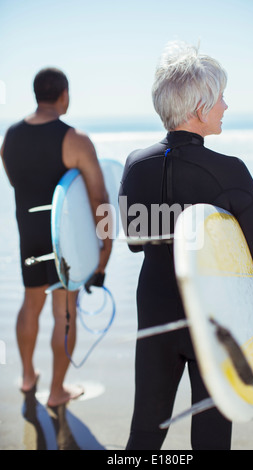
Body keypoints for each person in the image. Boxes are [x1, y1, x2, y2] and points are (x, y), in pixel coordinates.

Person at [119, 41, 253, 450]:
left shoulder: (134, 164)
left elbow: (132, 242)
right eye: (220, 99)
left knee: (145, 432)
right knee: (212, 439)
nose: (226, 107)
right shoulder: (229, 172)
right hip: (217, 320)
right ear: (201, 109)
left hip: (156, 313)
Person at [0, 68, 112, 407]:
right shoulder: (74, 139)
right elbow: (98, 198)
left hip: (29, 234)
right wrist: (105, 245)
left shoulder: (10, 136)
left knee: (30, 303)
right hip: (64, 240)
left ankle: (27, 376)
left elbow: (15, 181)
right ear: (63, 94)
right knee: (64, 310)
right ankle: (57, 391)